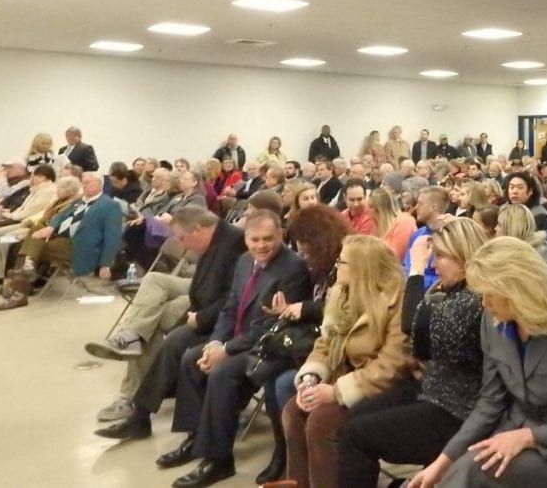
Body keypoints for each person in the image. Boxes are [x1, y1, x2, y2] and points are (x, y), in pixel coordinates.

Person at [407, 237, 547, 488]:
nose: (483, 303)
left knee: (473, 473)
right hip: (511, 433)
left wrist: (527, 437)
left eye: (490, 294)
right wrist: (441, 463)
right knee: (447, 472)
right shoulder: (493, 323)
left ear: (516, 289)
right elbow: (490, 403)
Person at [161, 210, 311, 488]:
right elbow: (230, 309)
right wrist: (216, 342)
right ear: (246, 238)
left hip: (270, 346)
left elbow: (272, 325)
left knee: (222, 373)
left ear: (281, 234)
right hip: (240, 341)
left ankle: (218, 460)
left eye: (269, 238)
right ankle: (196, 439)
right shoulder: (244, 261)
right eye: (255, 239)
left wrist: (226, 350)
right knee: (192, 358)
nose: (261, 245)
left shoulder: (293, 269)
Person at [338, 217, 487, 486]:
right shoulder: (456, 291)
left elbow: (411, 326)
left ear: (465, 258)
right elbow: (421, 341)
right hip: (435, 389)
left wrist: (416, 268)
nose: (433, 263)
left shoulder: (472, 300)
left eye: (441, 257)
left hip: (457, 409)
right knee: (355, 415)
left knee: (354, 435)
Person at [89, 207, 244, 427]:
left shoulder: (235, 244)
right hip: (198, 296)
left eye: (182, 238)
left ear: (198, 230)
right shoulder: (215, 238)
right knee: (150, 290)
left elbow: (233, 296)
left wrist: (202, 317)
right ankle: (131, 340)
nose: (180, 245)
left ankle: (133, 403)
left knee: (151, 324)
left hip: (211, 309)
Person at [283, 235, 413, 488]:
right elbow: (325, 342)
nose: (337, 267)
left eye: (343, 263)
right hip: (345, 376)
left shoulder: (398, 301)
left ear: (362, 269)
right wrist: (312, 376)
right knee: (293, 410)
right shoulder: (340, 293)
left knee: (322, 422)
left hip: (387, 386)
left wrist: (337, 392)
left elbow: (392, 364)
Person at [255, 205, 353, 485]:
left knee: (286, 384)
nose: (301, 254)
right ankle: (287, 456)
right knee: (273, 374)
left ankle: (299, 460)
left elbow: (340, 313)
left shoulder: (346, 265)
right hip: (323, 346)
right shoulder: (320, 266)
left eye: (306, 248)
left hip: (344, 356)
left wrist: (305, 308)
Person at [0, 165, 57, 281]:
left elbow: (32, 210)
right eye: (35, 175)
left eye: (40, 176)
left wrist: (11, 215)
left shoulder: (48, 190)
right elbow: (23, 207)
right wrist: (10, 213)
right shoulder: (36, 189)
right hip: (24, 220)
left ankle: (2, 271)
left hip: (30, 223)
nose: (36, 178)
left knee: (3, 236)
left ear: (48, 178)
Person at [370, 187, 417, 260]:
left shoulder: (404, 222)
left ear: (380, 208)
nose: (366, 210)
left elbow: (394, 258)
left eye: (371, 207)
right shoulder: (375, 225)